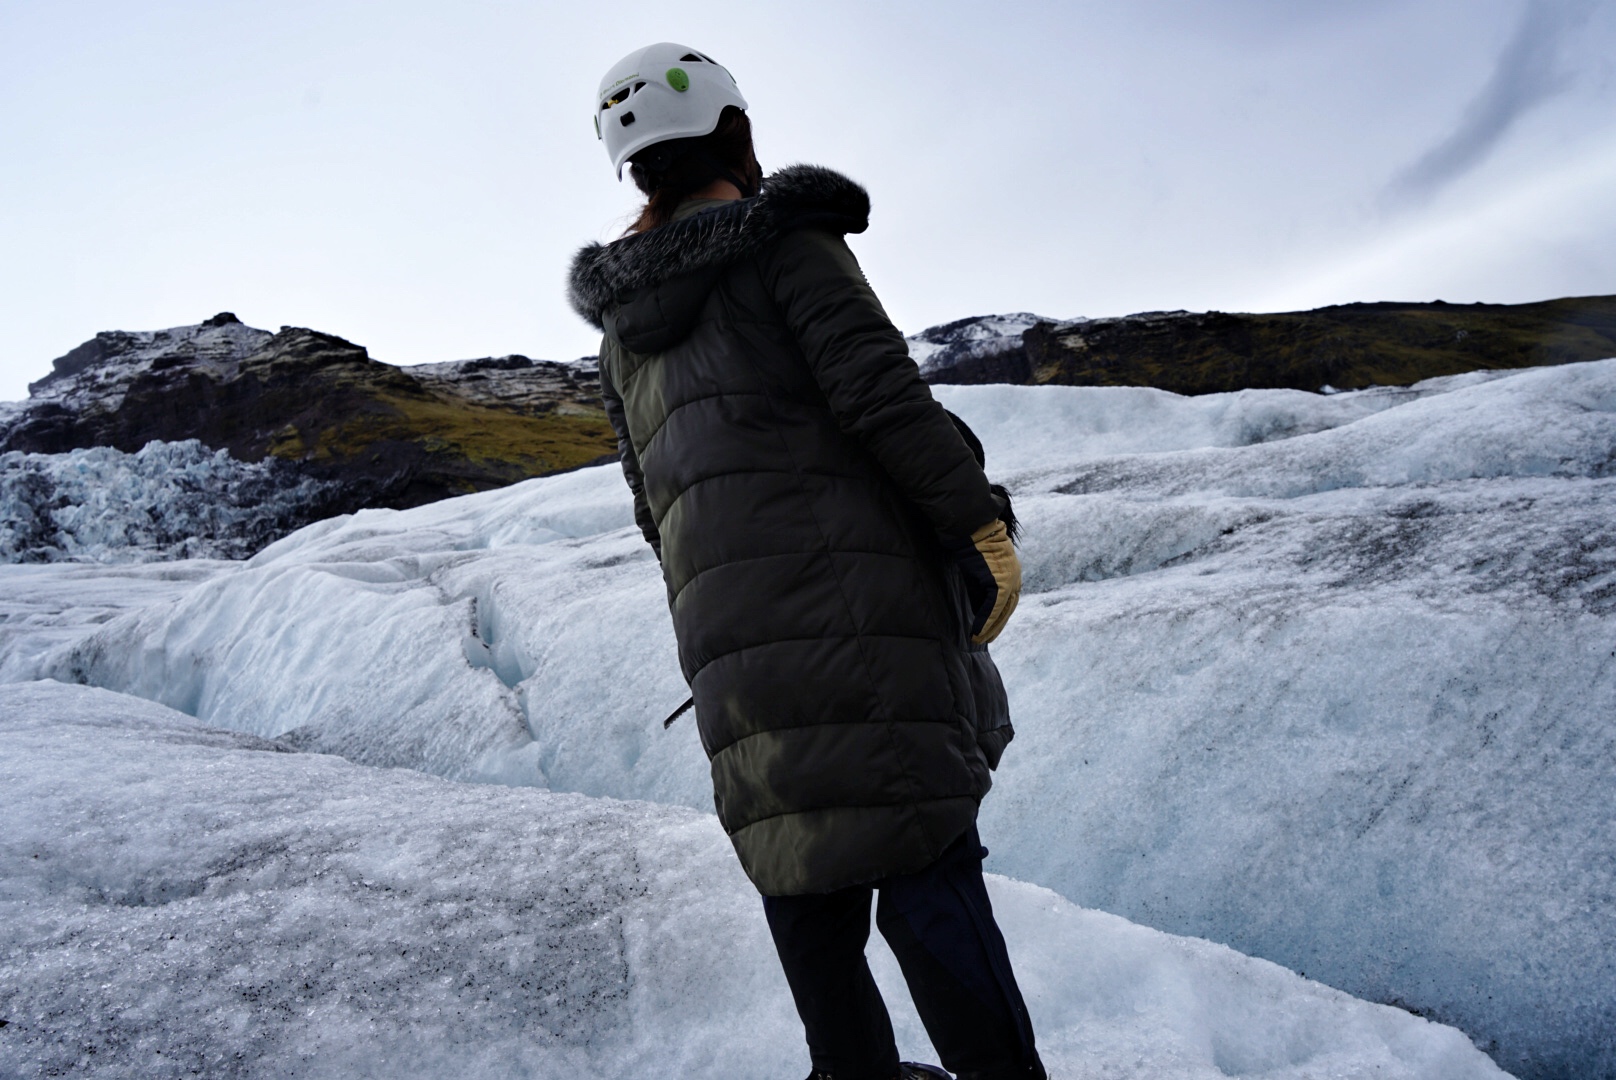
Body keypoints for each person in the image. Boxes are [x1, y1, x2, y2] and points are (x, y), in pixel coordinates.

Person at [568, 42, 1046, 1080]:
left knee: (803, 875)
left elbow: (654, 509)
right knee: (921, 851)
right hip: (858, 620)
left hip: (732, 655)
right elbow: (882, 401)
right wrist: (980, 527)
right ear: (734, 134)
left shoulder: (618, 338)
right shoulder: (786, 247)